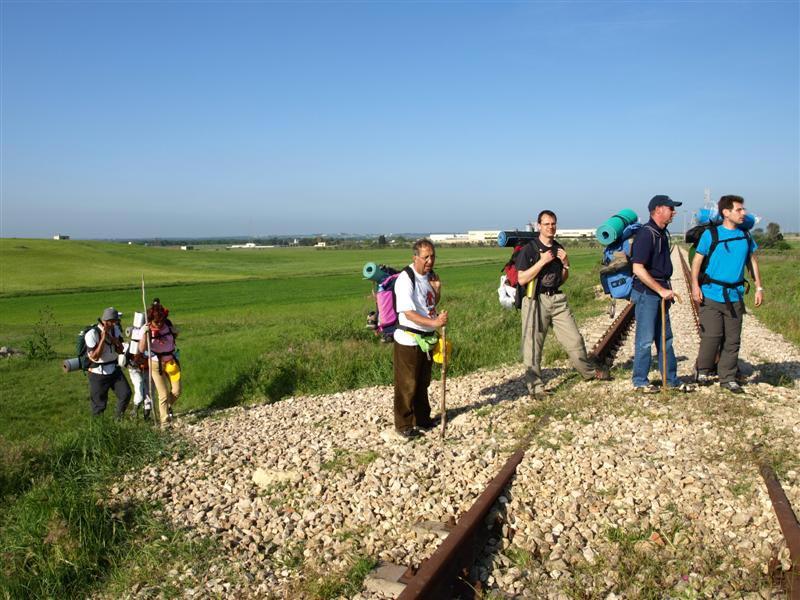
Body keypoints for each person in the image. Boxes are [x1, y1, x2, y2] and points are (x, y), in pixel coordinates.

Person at [515, 210, 609, 399]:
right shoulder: (529, 249)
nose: (551, 227)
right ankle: (536, 388)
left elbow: (561, 280)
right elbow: (521, 279)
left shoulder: (558, 248)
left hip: (557, 299)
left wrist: (565, 264)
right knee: (533, 346)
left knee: (574, 340)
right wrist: (542, 262)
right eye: (547, 224)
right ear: (539, 226)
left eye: (553, 224)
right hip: (535, 301)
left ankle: (589, 372)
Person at [691, 195, 763, 394]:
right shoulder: (711, 235)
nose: (744, 213)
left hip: (735, 295)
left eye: (743, 209)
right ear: (726, 212)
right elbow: (697, 261)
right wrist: (695, 286)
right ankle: (703, 370)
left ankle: (728, 377)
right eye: (739, 210)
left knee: (733, 339)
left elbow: (752, 261)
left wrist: (759, 287)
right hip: (711, 293)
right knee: (712, 336)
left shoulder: (746, 236)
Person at [630, 195, 690, 392]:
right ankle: (640, 381)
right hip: (647, 295)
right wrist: (661, 290)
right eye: (671, 208)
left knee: (666, 339)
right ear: (657, 210)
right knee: (645, 340)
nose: (674, 212)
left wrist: (664, 291)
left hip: (658, 294)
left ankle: (671, 380)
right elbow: (638, 268)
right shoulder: (646, 234)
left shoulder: (661, 233)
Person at [393, 239, 448, 438]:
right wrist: (435, 324)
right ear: (415, 257)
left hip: (426, 338)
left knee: (423, 381)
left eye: (432, 256)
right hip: (408, 339)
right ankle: (404, 425)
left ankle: (423, 419)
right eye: (426, 257)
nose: (430, 261)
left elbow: (429, 304)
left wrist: (437, 289)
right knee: (407, 383)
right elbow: (408, 312)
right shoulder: (405, 279)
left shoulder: (429, 276)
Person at [138, 299, 181, 425]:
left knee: (177, 391)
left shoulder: (167, 324)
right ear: (151, 319)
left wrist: (174, 331)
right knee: (162, 394)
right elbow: (141, 349)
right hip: (156, 364)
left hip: (171, 362)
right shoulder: (146, 329)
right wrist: (145, 335)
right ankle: (165, 422)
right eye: (157, 322)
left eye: (162, 320)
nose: (160, 324)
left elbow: (175, 334)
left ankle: (166, 407)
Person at [85, 307, 132, 417]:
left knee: (125, 394)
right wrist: (103, 339)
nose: (115, 323)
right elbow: (95, 357)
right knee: (99, 405)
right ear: (106, 321)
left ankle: (118, 419)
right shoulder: (92, 334)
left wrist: (116, 342)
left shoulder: (115, 330)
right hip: (98, 373)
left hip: (114, 369)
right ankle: (99, 430)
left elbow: (120, 351)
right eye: (113, 321)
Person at [125, 315, 153, 419]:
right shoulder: (136, 340)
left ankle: (146, 416)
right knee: (140, 390)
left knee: (149, 393)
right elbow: (135, 356)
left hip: (147, 368)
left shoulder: (152, 337)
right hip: (135, 368)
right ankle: (135, 411)